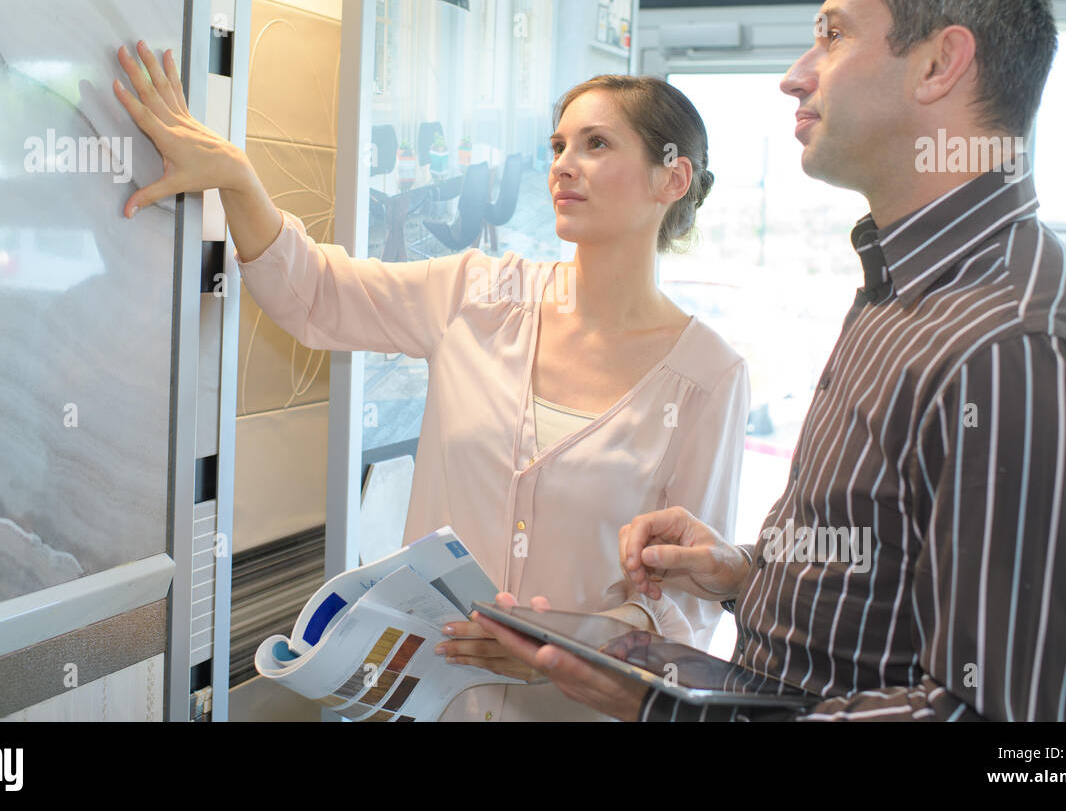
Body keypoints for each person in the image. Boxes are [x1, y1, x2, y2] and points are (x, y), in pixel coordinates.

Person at [476, 0, 1066, 721]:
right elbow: (888, 594)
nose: (795, 78)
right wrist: (747, 575)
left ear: (940, 64)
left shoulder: (1018, 344)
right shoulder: (902, 285)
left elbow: (992, 718)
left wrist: (675, 714)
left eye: (832, 37)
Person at [111, 54, 749, 721]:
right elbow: (316, 297)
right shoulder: (477, 294)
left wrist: (564, 642)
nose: (563, 164)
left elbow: (687, 607)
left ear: (671, 177)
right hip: (431, 703)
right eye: (559, 144)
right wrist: (238, 180)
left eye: (596, 144)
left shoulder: (708, 376)